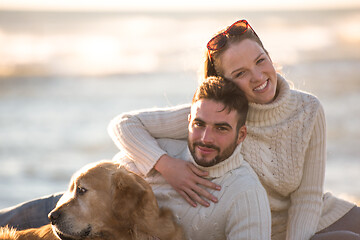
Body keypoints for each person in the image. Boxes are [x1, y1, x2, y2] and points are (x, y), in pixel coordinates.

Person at [107, 19, 359, 240]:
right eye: (240, 73)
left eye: (261, 61)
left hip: (315, 216)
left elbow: (308, 198)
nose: (258, 76)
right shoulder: (217, 120)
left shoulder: (309, 109)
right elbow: (124, 124)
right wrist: (166, 165)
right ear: (224, 83)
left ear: (269, 56)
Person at [112, 76, 271, 239]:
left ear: (241, 135)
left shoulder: (246, 192)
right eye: (199, 124)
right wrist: (165, 165)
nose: (205, 138)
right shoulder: (159, 152)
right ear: (188, 122)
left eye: (221, 128)